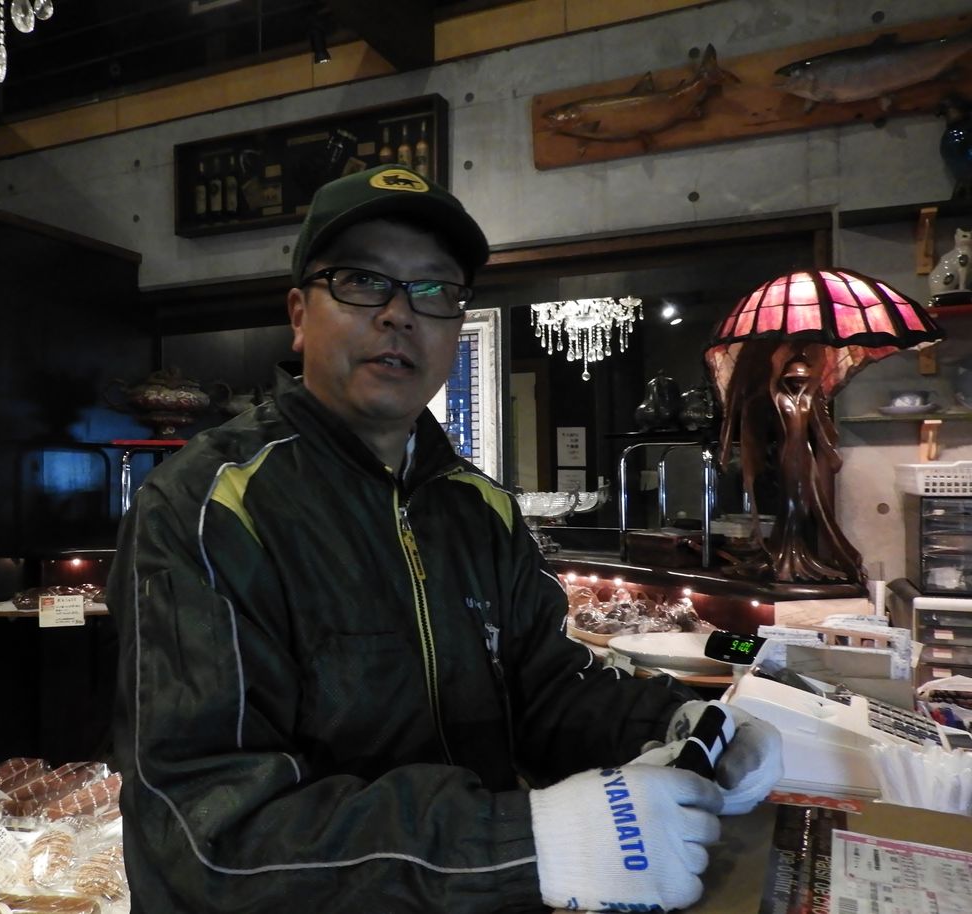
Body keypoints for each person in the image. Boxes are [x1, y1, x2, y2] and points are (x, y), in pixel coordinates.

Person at [109, 164, 783, 913]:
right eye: (363, 281)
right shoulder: (209, 505)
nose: (400, 314)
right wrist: (528, 843)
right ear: (299, 314)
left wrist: (675, 723)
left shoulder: (479, 506)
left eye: (433, 290)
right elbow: (205, 832)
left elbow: (545, 691)